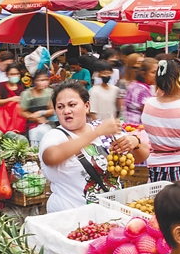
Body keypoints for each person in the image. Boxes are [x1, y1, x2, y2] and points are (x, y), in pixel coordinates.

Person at [39, 81, 150, 213]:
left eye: (72, 105)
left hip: (109, 214)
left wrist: (135, 141)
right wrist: (97, 132)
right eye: (60, 107)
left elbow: (142, 156)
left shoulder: (103, 130)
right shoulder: (55, 135)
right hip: (72, 216)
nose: (66, 111)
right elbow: (51, 157)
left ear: (86, 106)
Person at [20, 68, 54, 147]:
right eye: (40, 80)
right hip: (32, 125)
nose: (43, 82)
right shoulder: (26, 94)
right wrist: (36, 118)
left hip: (47, 123)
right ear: (34, 81)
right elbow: (23, 112)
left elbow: (51, 110)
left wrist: (41, 113)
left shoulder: (49, 92)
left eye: (45, 80)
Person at [0, 62, 26, 133]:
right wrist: (11, 99)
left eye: (17, 74)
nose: (15, 76)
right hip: (1, 119)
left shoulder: (21, 88)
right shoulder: (1, 86)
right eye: (12, 74)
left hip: (15, 120)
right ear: (6, 74)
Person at [124, 57, 158, 125]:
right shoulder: (141, 89)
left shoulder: (135, 85)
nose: (156, 76)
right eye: (153, 72)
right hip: (137, 126)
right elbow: (148, 111)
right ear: (143, 73)